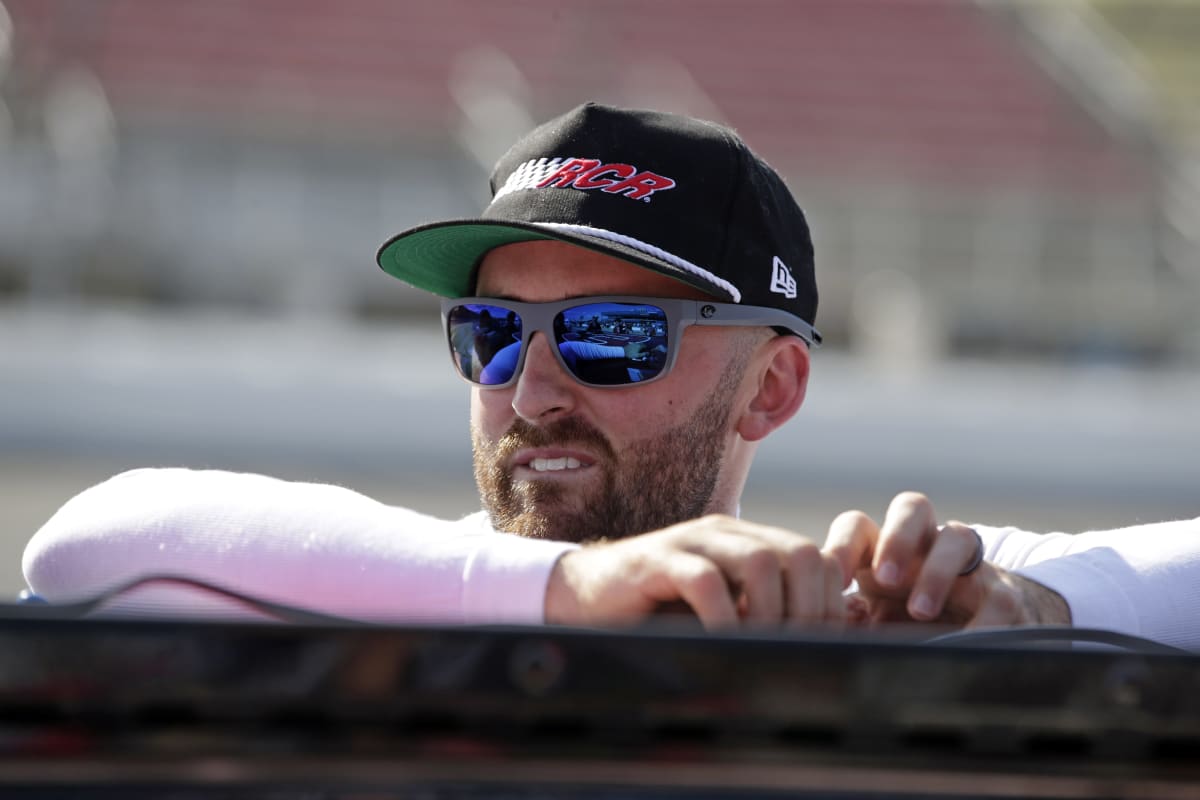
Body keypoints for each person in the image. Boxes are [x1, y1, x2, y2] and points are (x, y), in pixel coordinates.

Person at [22, 103, 1200, 647]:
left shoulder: (863, 594)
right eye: (490, 330)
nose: (530, 392)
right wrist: (572, 595)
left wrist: (1036, 611)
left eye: (609, 338)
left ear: (773, 389)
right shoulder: (390, 576)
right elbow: (81, 541)